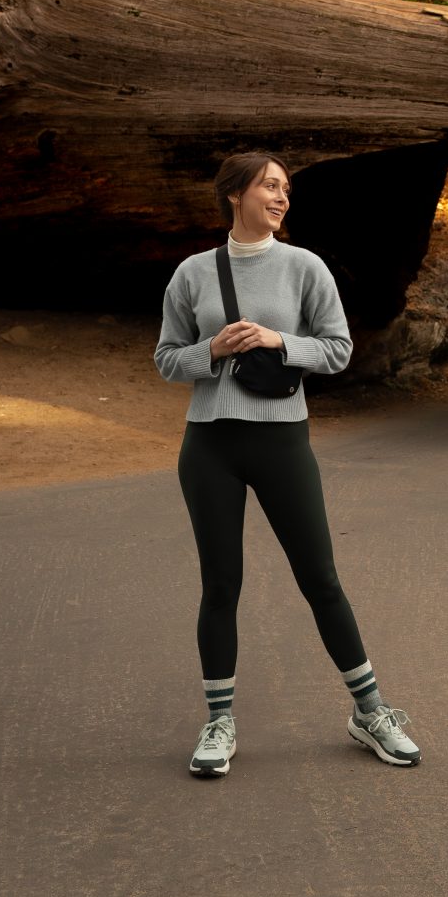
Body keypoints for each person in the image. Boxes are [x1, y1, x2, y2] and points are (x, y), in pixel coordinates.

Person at [154, 150, 421, 777]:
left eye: (285, 190)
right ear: (234, 195)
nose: (281, 198)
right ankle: (219, 724)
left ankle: (371, 711)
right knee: (221, 587)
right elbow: (166, 358)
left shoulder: (305, 267)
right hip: (210, 445)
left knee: (320, 579)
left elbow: (337, 349)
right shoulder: (193, 273)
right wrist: (211, 349)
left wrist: (280, 341)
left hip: (282, 442)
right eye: (269, 187)